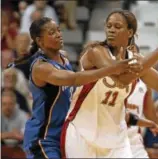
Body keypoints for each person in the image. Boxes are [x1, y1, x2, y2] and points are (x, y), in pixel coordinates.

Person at [7, 17, 141, 159]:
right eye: (52, 32)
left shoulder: (64, 58)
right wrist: (111, 68)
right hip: (43, 137)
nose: (58, 34)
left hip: (65, 134)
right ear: (40, 41)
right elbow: (74, 79)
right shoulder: (41, 67)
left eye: (58, 30)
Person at [61, 9, 158, 158]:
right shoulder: (95, 52)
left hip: (115, 139)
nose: (111, 30)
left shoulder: (137, 60)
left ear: (130, 32)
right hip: (81, 133)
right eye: (109, 26)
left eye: (117, 27)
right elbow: (121, 79)